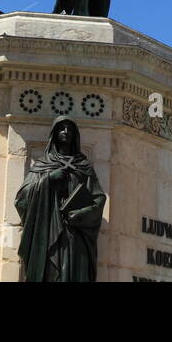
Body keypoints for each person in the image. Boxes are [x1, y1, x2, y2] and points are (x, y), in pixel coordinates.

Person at [15, 116, 107, 281]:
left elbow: (99, 199)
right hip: (49, 230)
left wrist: (82, 214)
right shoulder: (43, 165)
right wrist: (49, 179)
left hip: (76, 233)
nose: (66, 132)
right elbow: (21, 199)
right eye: (61, 128)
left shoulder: (84, 166)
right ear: (54, 133)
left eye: (69, 129)